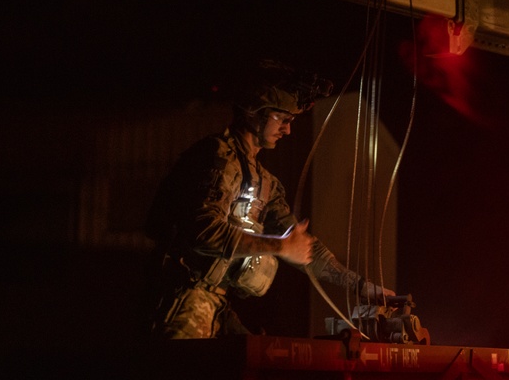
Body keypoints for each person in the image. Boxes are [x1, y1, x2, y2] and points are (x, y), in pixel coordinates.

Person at [144, 61, 393, 339]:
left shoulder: (264, 181)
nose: (287, 130)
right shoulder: (217, 159)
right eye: (282, 119)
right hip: (184, 298)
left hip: (217, 303)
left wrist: (361, 286)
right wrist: (280, 246)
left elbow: (304, 248)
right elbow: (204, 231)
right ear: (255, 113)